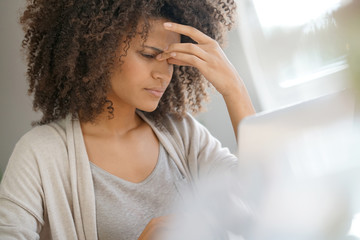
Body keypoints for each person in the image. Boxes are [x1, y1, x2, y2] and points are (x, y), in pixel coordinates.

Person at [0, 0, 255, 239]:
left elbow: (260, 195)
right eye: (147, 54)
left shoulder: (182, 133)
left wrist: (235, 89)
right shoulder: (39, 154)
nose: (163, 74)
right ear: (98, 48)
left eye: (171, 60)